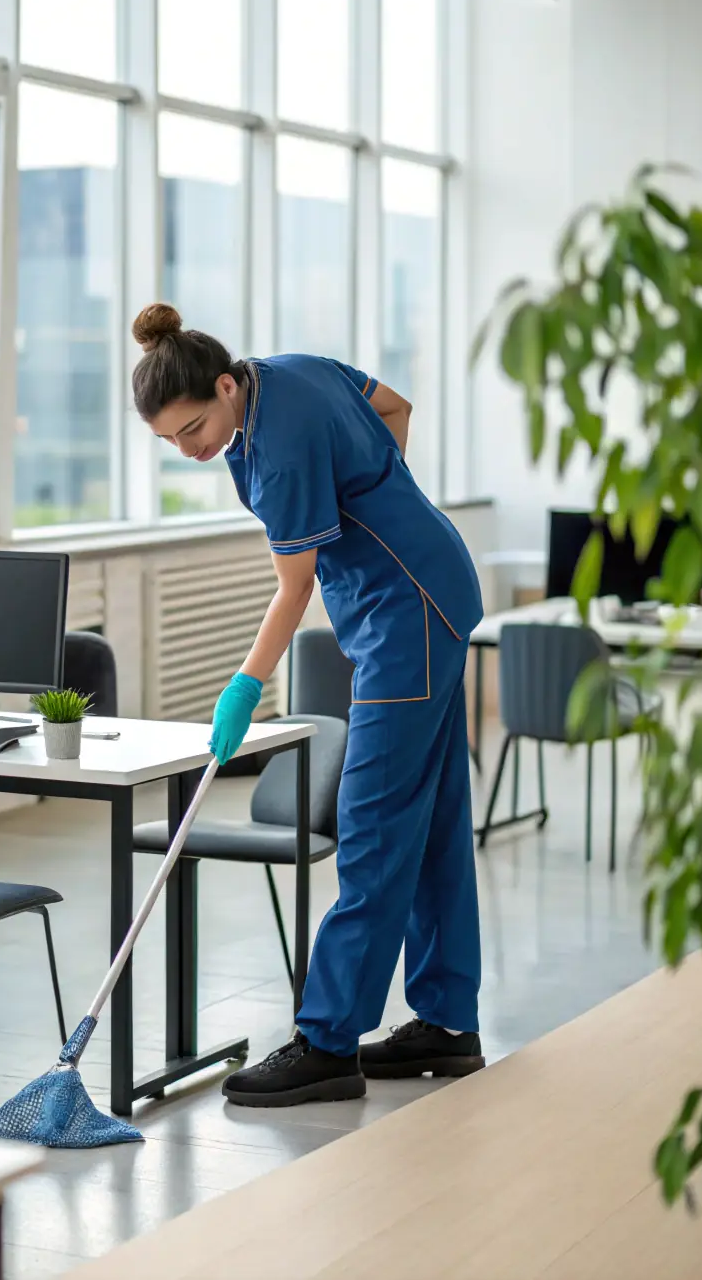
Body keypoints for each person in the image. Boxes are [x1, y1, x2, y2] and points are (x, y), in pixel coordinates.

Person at [131, 302, 485, 1109]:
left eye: (193, 429)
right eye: (170, 442)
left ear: (224, 385)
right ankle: (447, 1022)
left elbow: (293, 588)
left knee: (372, 818)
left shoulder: (281, 445)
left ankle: (328, 1042)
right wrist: (384, 501)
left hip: (408, 612)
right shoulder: (284, 373)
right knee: (428, 822)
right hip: (422, 590)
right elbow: (392, 404)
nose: (189, 451)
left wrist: (243, 686)